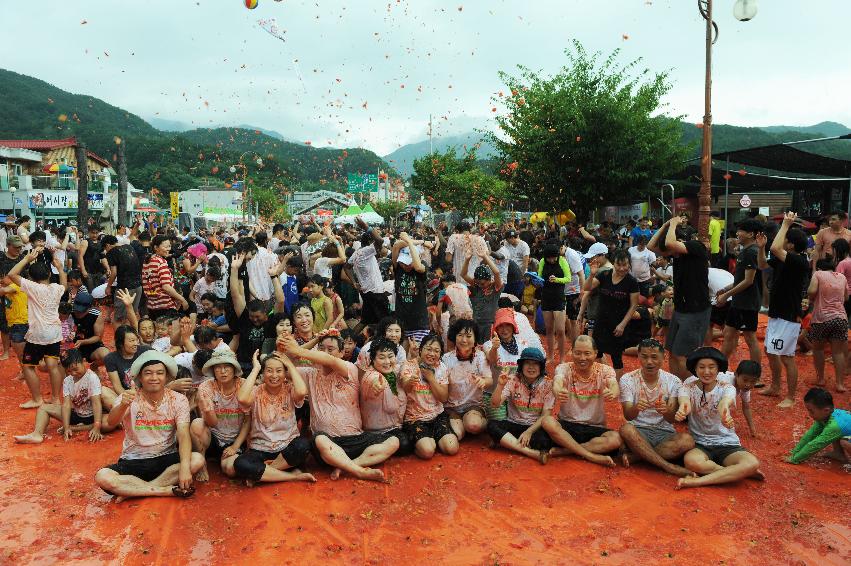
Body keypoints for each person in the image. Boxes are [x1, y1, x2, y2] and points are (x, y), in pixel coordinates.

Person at [281, 334, 399, 481]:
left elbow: (330, 361)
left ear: (342, 353)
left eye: (331, 349)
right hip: (328, 444)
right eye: (321, 348)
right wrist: (297, 347)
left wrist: (298, 350)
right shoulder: (309, 373)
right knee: (319, 440)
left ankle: (348, 466)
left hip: (355, 438)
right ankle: (359, 472)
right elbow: (282, 365)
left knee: (394, 441)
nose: (324, 353)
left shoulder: (349, 369)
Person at [94, 350, 205, 500]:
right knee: (103, 477)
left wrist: (185, 467)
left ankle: (135, 491)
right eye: (148, 373)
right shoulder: (128, 397)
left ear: (166, 377)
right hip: (134, 459)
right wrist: (123, 405)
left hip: (166, 457)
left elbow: (183, 434)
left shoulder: (178, 399)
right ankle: (163, 490)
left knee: (197, 459)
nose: (154, 378)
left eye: (159, 373)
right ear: (140, 376)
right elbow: (111, 422)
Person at [674, 347, 763, 489]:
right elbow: (685, 403)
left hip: (727, 443)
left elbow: (724, 404)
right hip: (700, 443)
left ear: (718, 369)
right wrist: (682, 410)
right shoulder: (687, 387)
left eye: (711, 367)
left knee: (752, 463)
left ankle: (697, 481)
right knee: (691, 461)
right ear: (695, 369)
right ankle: (735, 472)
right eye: (701, 367)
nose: (707, 371)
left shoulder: (728, 388)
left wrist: (725, 413)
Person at [232, 351, 316, 485]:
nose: (274, 375)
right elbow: (242, 398)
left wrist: (290, 365)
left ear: (285, 374)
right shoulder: (256, 391)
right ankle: (293, 477)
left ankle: (266, 473)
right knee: (240, 464)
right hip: (260, 449)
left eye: (279, 371)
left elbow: (302, 391)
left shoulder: (289, 389)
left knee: (303, 445)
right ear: (263, 373)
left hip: (287, 448)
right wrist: (255, 368)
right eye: (269, 371)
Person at [618, 339, 695, 477]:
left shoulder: (673, 381)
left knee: (687, 441)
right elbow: (628, 416)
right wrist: (636, 408)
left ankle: (639, 456)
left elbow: (671, 419)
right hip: (638, 430)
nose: (649, 362)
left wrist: (666, 410)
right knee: (626, 429)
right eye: (644, 356)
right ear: (638, 356)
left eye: (654, 357)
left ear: (663, 358)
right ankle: (669, 466)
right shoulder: (627, 379)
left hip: (664, 432)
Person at [542, 335, 622, 467]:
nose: (582, 358)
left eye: (587, 353)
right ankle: (590, 455)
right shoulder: (564, 368)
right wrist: (557, 390)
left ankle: (566, 450)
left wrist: (613, 391)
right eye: (578, 353)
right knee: (547, 421)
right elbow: (557, 382)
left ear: (595, 353)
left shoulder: (605, 370)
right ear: (571, 351)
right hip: (567, 424)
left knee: (616, 439)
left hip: (595, 426)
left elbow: (614, 385)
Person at [647, 216, 711, 379]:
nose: (670, 253)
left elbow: (670, 244)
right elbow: (651, 246)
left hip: (695, 311)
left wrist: (674, 224)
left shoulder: (697, 247)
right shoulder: (678, 255)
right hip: (681, 309)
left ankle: (688, 390)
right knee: (673, 352)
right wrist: (666, 225)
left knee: (683, 355)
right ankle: (677, 387)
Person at [758, 212, 809, 408]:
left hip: (789, 315)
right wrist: (761, 248)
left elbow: (775, 247)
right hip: (777, 312)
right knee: (771, 351)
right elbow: (762, 264)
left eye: (786, 239)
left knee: (787, 357)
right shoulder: (784, 259)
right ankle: (776, 386)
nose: (782, 241)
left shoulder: (799, 261)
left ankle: (791, 396)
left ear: (791, 245)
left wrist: (786, 224)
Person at [14, 349, 117, 444]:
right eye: (69, 371)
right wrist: (66, 427)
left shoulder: (92, 377)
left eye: (75, 369)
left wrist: (97, 426)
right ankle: (37, 434)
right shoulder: (68, 380)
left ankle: (80, 427)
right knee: (43, 408)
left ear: (83, 361)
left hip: (93, 415)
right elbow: (66, 405)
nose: (73, 373)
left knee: (108, 423)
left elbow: (96, 403)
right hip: (77, 414)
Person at [8, 249, 67, 408]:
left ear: (31, 277)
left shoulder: (32, 287)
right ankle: (55, 398)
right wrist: (60, 268)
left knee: (28, 366)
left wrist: (27, 258)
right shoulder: (56, 288)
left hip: (38, 334)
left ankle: (37, 399)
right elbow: (64, 284)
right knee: (53, 366)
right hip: (54, 332)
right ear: (49, 275)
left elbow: (11, 275)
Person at [487, 347, 553, 464]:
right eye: (527, 363)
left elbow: (545, 415)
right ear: (521, 365)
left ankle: (506, 442)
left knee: (545, 441)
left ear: (541, 367)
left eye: (535, 364)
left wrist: (529, 432)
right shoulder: (513, 379)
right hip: (513, 423)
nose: (531, 367)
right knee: (491, 426)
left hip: (534, 427)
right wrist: (500, 385)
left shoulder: (548, 384)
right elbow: (495, 404)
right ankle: (532, 453)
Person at [400, 333, 459, 460]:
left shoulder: (441, 367)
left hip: (437, 415)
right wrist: (409, 382)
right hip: (415, 418)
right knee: (427, 452)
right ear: (421, 350)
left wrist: (431, 379)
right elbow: (405, 387)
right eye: (428, 349)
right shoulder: (409, 365)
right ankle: (422, 442)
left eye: (437, 351)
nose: (432, 354)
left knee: (452, 448)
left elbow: (443, 398)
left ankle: (431, 439)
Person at [583, 249, 638, 377]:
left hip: (618, 324)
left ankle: (616, 385)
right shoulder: (604, 275)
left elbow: (634, 305)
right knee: (597, 352)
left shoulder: (631, 281)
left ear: (629, 264)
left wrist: (623, 325)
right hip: (601, 321)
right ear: (614, 263)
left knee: (616, 357)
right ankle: (599, 379)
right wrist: (592, 275)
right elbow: (586, 288)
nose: (622, 268)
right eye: (619, 265)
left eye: (625, 265)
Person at [716, 219, 763, 364]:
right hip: (739, 302)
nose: (737, 234)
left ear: (750, 234)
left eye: (740, 231)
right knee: (728, 333)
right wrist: (725, 289)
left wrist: (726, 295)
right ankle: (721, 367)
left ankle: (756, 373)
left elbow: (749, 281)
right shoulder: (746, 252)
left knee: (749, 337)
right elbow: (741, 279)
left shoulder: (751, 252)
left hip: (747, 303)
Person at [359, 337, 412, 456]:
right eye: (381, 357)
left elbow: (405, 365)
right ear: (372, 359)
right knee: (405, 445)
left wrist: (413, 355)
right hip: (374, 432)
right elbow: (373, 382)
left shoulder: (394, 372)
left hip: (395, 428)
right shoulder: (371, 376)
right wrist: (376, 387)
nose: (387, 361)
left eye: (390, 356)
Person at [443, 319, 492, 439]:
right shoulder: (446, 358)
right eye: (460, 335)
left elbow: (489, 380)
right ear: (454, 337)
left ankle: (488, 423)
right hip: (451, 407)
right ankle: (460, 423)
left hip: (473, 405)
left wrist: (483, 381)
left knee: (473, 426)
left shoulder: (480, 356)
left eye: (468, 336)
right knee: (459, 434)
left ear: (475, 339)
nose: (464, 340)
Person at [807, 257, 848, 392]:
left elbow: (812, 291)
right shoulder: (842, 277)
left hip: (821, 318)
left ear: (819, 267)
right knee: (838, 352)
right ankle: (840, 383)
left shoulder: (818, 274)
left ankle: (821, 379)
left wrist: (811, 298)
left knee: (818, 349)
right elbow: (846, 297)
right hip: (840, 318)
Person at [785, 387, 851, 465]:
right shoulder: (827, 415)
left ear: (826, 410)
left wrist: (794, 459)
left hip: (839, 430)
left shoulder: (834, 425)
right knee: (836, 432)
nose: (809, 414)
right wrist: (794, 452)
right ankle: (838, 453)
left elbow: (816, 444)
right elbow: (810, 435)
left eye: (811, 411)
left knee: (844, 442)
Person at [393, 233, 430, 345]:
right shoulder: (398, 268)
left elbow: (418, 267)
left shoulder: (421, 268)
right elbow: (396, 246)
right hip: (402, 323)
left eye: (409, 262)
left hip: (419, 323)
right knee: (401, 358)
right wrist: (421, 242)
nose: (405, 265)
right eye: (403, 262)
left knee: (415, 358)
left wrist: (409, 242)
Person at [348, 227, 390, 327]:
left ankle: (351, 339)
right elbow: (380, 240)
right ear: (371, 241)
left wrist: (354, 282)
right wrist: (366, 226)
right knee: (384, 322)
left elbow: (347, 266)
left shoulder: (357, 253)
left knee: (365, 321)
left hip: (367, 292)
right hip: (376, 292)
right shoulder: (367, 250)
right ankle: (380, 341)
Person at [537, 244, 571, 363]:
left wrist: (556, 279)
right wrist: (536, 280)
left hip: (559, 297)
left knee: (560, 330)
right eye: (549, 258)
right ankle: (550, 356)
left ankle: (562, 358)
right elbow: (540, 277)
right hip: (546, 296)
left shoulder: (562, 261)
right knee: (549, 329)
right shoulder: (542, 261)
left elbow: (568, 278)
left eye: (554, 257)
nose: (552, 260)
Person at [142, 235, 189, 320]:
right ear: (156, 247)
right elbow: (166, 287)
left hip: (152, 305)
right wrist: (182, 300)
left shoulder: (147, 261)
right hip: (165, 306)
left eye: (169, 246)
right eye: (165, 246)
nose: (168, 249)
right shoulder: (161, 262)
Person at [461, 249, 502, 345]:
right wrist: (467, 259)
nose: (480, 285)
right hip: (476, 323)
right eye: (478, 283)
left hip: (490, 323)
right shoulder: (477, 287)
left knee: (488, 345)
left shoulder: (495, 288)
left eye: (482, 283)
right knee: (476, 346)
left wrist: (485, 257)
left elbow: (496, 273)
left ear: (489, 279)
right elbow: (463, 274)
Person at [102, 234, 143, 326]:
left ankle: (120, 339)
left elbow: (114, 272)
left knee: (118, 318)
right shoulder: (129, 247)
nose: (106, 250)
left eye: (105, 248)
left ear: (108, 245)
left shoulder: (111, 252)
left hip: (124, 288)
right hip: (138, 286)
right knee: (132, 314)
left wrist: (108, 286)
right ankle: (132, 337)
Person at [70, 291, 111, 368]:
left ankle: (94, 366)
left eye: (82, 311)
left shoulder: (96, 314)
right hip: (71, 345)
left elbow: (98, 337)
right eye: (77, 310)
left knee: (107, 356)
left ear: (89, 308)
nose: (78, 313)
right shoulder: (68, 310)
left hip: (90, 343)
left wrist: (83, 342)